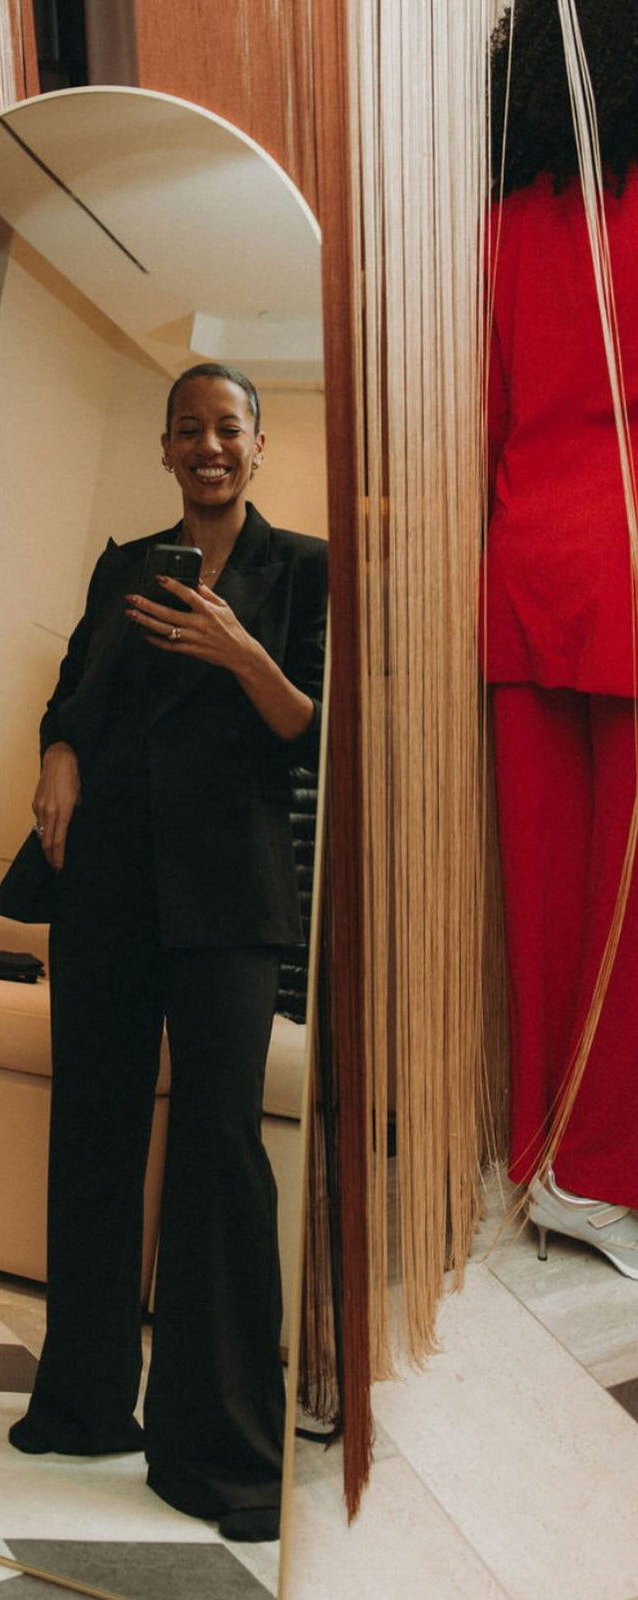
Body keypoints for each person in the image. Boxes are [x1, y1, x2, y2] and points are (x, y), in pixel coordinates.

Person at [6, 363, 328, 1542]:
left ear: (257, 444)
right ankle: (85, 1400)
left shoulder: (305, 569)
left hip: (230, 900)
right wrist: (57, 753)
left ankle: (219, 1446)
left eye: (227, 429)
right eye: (187, 429)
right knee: (90, 1126)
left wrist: (240, 648)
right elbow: (70, 693)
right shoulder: (123, 565)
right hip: (107, 882)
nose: (208, 446)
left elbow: (316, 731)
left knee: (218, 1148)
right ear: (162, 446)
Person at [483, 0, 638, 1277]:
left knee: (541, 897)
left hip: (522, 571)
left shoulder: (499, 222)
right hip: (630, 569)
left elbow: (483, 419)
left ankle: (539, 1155)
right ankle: (596, 1174)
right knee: (621, 912)